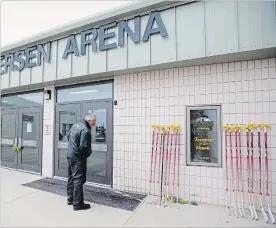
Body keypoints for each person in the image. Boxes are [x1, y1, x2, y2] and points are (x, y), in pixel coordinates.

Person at [66, 113, 96, 211]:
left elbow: (68, 137)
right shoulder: (85, 130)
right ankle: (77, 204)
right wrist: (88, 153)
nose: (94, 124)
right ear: (89, 120)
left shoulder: (75, 125)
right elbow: (84, 147)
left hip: (70, 155)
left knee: (71, 177)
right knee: (78, 180)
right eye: (94, 121)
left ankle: (70, 198)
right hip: (78, 158)